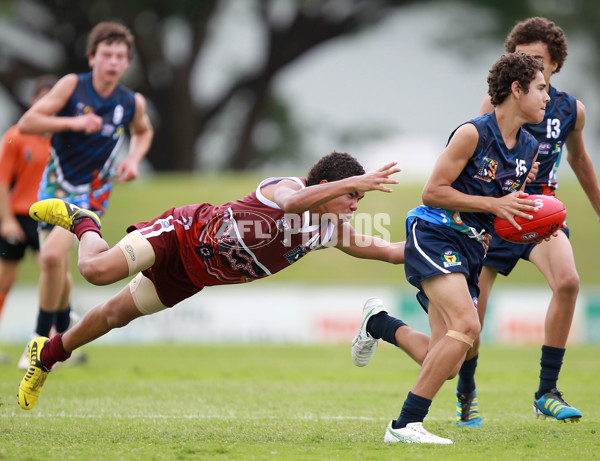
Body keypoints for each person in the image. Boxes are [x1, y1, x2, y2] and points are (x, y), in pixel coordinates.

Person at [17, 151, 405, 410]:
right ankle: (84, 222)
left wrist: (447, 240)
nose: (355, 205)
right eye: (352, 195)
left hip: (191, 275)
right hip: (182, 232)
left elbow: (390, 251)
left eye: (359, 199)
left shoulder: (329, 231)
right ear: (325, 187)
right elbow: (291, 204)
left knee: (114, 316)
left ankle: (46, 356)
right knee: (95, 272)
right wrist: (354, 182)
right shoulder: (284, 188)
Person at [351, 52, 548, 444]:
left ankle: (378, 324)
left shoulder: (530, 149)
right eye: (541, 88)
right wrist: (495, 206)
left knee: (446, 360)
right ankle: (405, 425)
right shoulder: (473, 133)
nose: (547, 97)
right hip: (436, 232)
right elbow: (433, 192)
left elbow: (506, 208)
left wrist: (535, 223)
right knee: (468, 326)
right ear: (516, 89)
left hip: (473, 248)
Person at [450, 17, 597, 427]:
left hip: (540, 211)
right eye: (521, 58)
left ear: (554, 65)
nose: (529, 65)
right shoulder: (494, 105)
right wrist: (497, 190)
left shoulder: (570, 110)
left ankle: (547, 392)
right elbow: (479, 153)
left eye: (537, 59)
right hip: (496, 213)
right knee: (474, 315)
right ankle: (467, 390)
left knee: (568, 282)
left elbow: (580, 160)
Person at [16, 21, 154, 370]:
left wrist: (134, 160)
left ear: (127, 63)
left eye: (120, 56)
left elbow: (143, 131)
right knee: (56, 264)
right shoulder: (71, 87)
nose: (113, 62)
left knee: (49, 259)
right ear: (92, 57)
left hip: (91, 199)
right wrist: (74, 123)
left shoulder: (130, 102)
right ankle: (64, 328)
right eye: (106, 54)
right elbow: (29, 122)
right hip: (55, 189)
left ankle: (39, 342)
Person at [0, 75, 57, 364]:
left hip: (48, 215)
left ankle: (53, 343)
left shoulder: (60, 139)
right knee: (4, 281)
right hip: (19, 217)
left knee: (54, 274)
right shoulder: (16, 135)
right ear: (34, 101)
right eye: (43, 100)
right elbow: (1, 181)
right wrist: (6, 219)